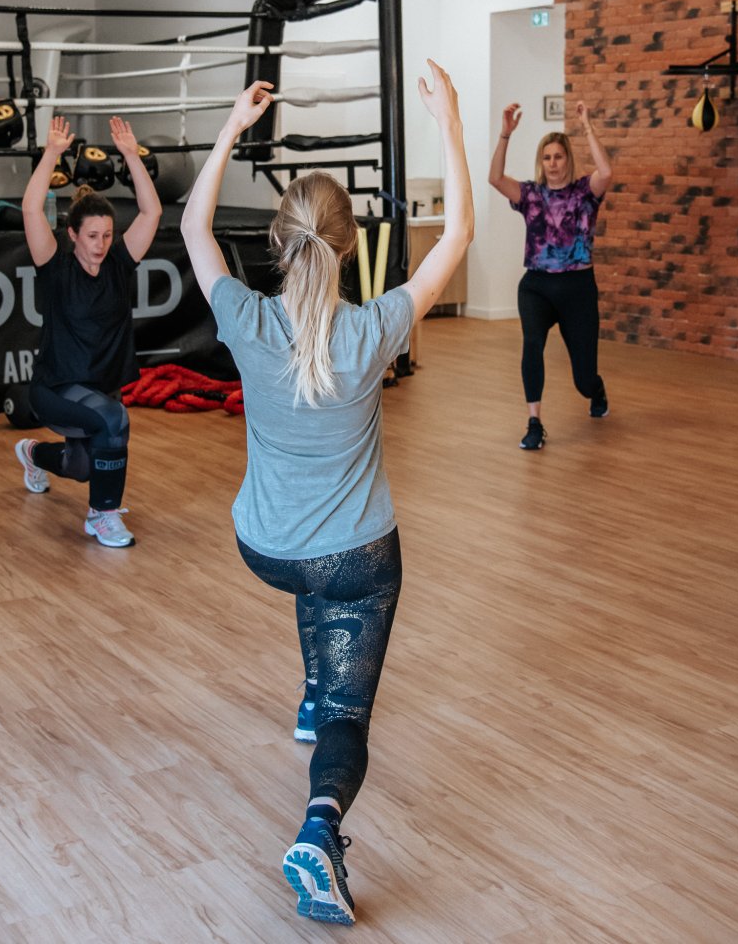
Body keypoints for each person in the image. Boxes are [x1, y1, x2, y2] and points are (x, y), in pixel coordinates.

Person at [180, 61, 472, 925]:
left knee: (314, 581)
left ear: (277, 242)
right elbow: (456, 234)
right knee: (350, 700)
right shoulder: (373, 328)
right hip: (354, 557)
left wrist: (234, 125)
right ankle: (318, 830)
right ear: (351, 247)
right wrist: (448, 119)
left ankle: (311, 691)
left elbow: (193, 226)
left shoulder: (245, 317)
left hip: (264, 549)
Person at [14, 116, 162, 546]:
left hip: (100, 389)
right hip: (56, 389)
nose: (100, 243)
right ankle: (102, 517)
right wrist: (51, 154)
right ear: (73, 234)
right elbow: (29, 208)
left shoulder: (119, 263)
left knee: (81, 467)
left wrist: (133, 156)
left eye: (107, 235)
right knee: (114, 420)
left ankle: (32, 453)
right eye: (91, 235)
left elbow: (152, 211)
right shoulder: (55, 266)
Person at [489, 100, 612, 450]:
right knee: (531, 346)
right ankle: (534, 422)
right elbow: (495, 178)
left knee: (583, 379)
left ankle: (596, 389)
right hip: (537, 287)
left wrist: (587, 126)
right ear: (541, 162)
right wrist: (505, 134)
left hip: (578, 289)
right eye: (547, 157)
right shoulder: (530, 194)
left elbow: (607, 172)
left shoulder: (585, 192)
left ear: (567, 160)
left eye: (559, 156)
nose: (553, 163)